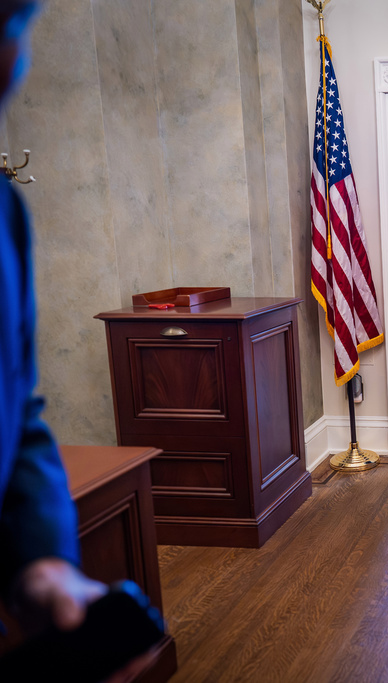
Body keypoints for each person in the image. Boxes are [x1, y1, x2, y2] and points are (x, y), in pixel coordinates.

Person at [0, 0, 106, 643]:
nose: (14, 53)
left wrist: (43, 558)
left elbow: (17, 409)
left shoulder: (6, 213)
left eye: (16, 25)